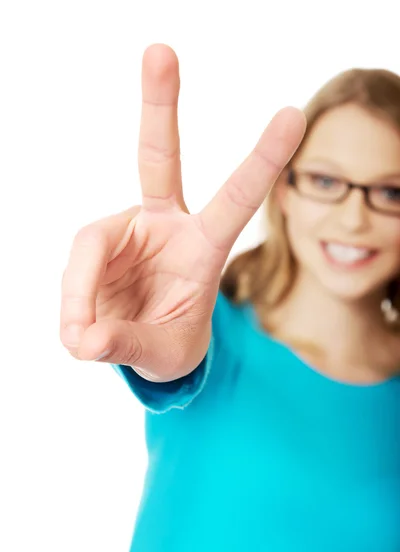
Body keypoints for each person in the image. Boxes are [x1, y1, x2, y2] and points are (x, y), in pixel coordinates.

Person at [60, 44, 400, 551]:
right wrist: (162, 353)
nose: (354, 219)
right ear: (285, 191)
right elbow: (172, 362)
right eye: (326, 180)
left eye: (392, 192)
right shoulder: (202, 329)